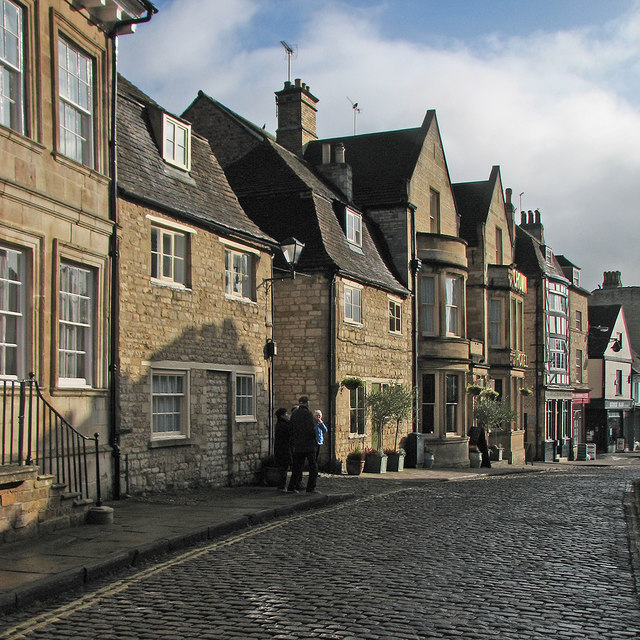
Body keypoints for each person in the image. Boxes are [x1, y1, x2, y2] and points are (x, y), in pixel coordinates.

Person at [287, 396, 319, 493]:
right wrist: (314, 440)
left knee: (297, 467)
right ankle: (310, 488)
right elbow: (311, 429)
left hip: (297, 445)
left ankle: (291, 487)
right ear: (307, 403)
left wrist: (293, 441)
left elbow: (291, 429)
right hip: (308, 444)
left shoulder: (295, 413)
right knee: (313, 467)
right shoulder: (308, 413)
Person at [273, 408, 291, 492]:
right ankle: (281, 486)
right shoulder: (284, 425)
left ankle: (281, 486)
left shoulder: (279, 424)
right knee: (283, 469)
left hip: (280, 449)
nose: (287, 415)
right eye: (286, 414)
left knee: (283, 468)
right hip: (284, 449)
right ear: (282, 416)